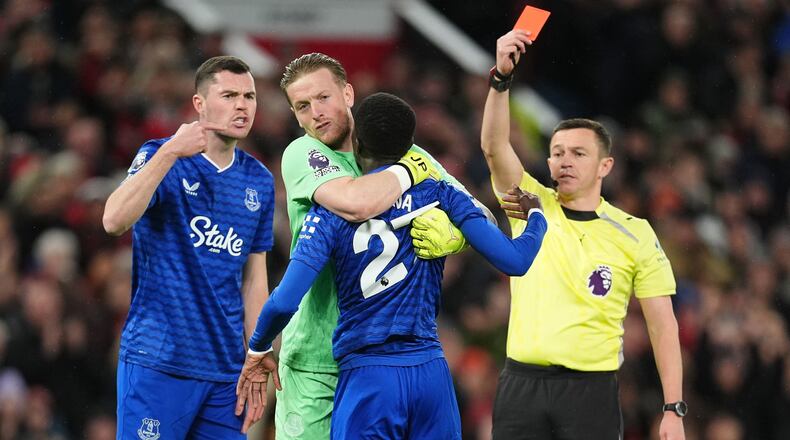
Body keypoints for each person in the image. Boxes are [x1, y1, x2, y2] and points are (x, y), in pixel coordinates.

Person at [236, 92, 548, 439]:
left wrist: (258, 347)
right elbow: (515, 261)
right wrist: (536, 216)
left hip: (369, 378)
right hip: (430, 375)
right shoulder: (440, 193)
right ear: (410, 145)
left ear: (356, 141)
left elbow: (283, 301)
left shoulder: (330, 212)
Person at [237, 53, 472, 438]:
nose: (316, 113)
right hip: (316, 362)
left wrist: (456, 235)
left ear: (348, 93)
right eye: (302, 106)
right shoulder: (303, 154)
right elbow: (358, 202)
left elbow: (483, 215)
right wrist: (412, 169)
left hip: (380, 361)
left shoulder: (399, 151)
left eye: (323, 98)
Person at [472, 29, 686, 439]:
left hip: (591, 392)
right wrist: (500, 80)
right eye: (556, 153)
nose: (564, 161)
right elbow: (493, 147)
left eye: (578, 153)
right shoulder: (530, 205)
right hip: (521, 386)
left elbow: (663, 325)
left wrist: (673, 408)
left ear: (605, 166)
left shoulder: (635, 233)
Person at [102, 56, 275, 438]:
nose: (242, 105)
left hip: (225, 371)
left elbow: (253, 279)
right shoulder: (161, 156)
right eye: (229, 95)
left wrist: (258, 350)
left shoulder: (259, 181)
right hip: (159, 361)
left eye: (249, 96)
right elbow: (113, 220)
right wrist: (169, 153)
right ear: (199, 104)